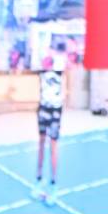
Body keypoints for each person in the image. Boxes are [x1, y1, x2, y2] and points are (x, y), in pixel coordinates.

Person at [36, 63, 64, 204]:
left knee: (53, 145)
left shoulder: (60, 66)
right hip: (43, 107)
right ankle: (39, 179)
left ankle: (53, 183)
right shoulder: (41, 65)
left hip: (55, 109)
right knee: (41, 142)